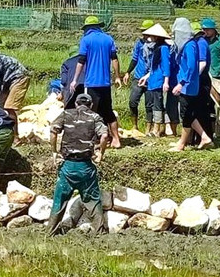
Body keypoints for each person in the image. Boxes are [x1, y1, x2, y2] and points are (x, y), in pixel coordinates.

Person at [47, 92, 109, 235]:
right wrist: (101, 153)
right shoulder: (95, 117)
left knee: (59, 199)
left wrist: (54, 152)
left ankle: (50, 231)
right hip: (86, 166)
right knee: (93, 199)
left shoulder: (66, 114)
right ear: (91, 105)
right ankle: (99, 232)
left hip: (68, 166)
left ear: (75, 104)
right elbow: (104, 135)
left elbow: (53, 130)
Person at [74, 15, 121, 146]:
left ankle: (93, 140)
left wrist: (75, 79)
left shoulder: (86, 40)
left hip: (91, 83)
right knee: (108, 111)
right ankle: (116, 139)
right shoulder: (108, 39)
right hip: (106, 83)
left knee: (90, 112)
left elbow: (81, 60)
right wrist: (117, 76)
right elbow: (115, 59)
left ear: (87, 28)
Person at [169, 22, 213, 152]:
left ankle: (182, 144)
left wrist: (181, 83)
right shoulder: (190, 45)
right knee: (189, 114)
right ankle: (203, 137)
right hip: (188, 85)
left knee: (186, 114)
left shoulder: (189, 46)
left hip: (188, 86)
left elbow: (192, 66)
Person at [122, 20, 156, 131]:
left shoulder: (158, 45)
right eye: (143, 32)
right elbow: (135, 58)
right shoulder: (139, 43)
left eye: (146, 32)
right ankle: (134, 126)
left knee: (149, 104)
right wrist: (127, 72)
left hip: (151, 78)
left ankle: (148, 128)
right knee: (132, 101)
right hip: (138, 76)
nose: (144, 34)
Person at [138, 24, 172, 138]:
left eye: (151, 35)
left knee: (158, 104)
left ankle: (157, 129)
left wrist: (166, 81)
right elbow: (153, 67)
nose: (148, 37)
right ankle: (157, 128)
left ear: (156, 37)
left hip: (158, 80)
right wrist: (146, 77)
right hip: (153, 80)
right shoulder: (156, 48)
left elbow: (166, 65)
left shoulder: (163, 48)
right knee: (154, 104)